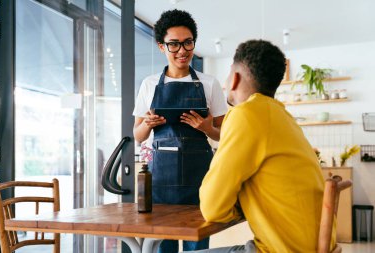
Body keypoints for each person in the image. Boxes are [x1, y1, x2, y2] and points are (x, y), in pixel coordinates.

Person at [188, 40, 328, 253]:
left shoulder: (245, 114)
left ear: (234, 78)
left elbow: (212, 208)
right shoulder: (284, 117)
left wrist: (235, 210)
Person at [132, 9, 227, 253]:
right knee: (164, 242)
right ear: (161, 47)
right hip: (162, 177)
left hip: (200, 177)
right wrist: (147, 124)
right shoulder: (149, 83)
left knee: (198, 242)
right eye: (173, 44)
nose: (182, 51)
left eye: (187, 43)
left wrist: (207, 128)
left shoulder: (209, 83)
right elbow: (138, 135)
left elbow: (225, 135)